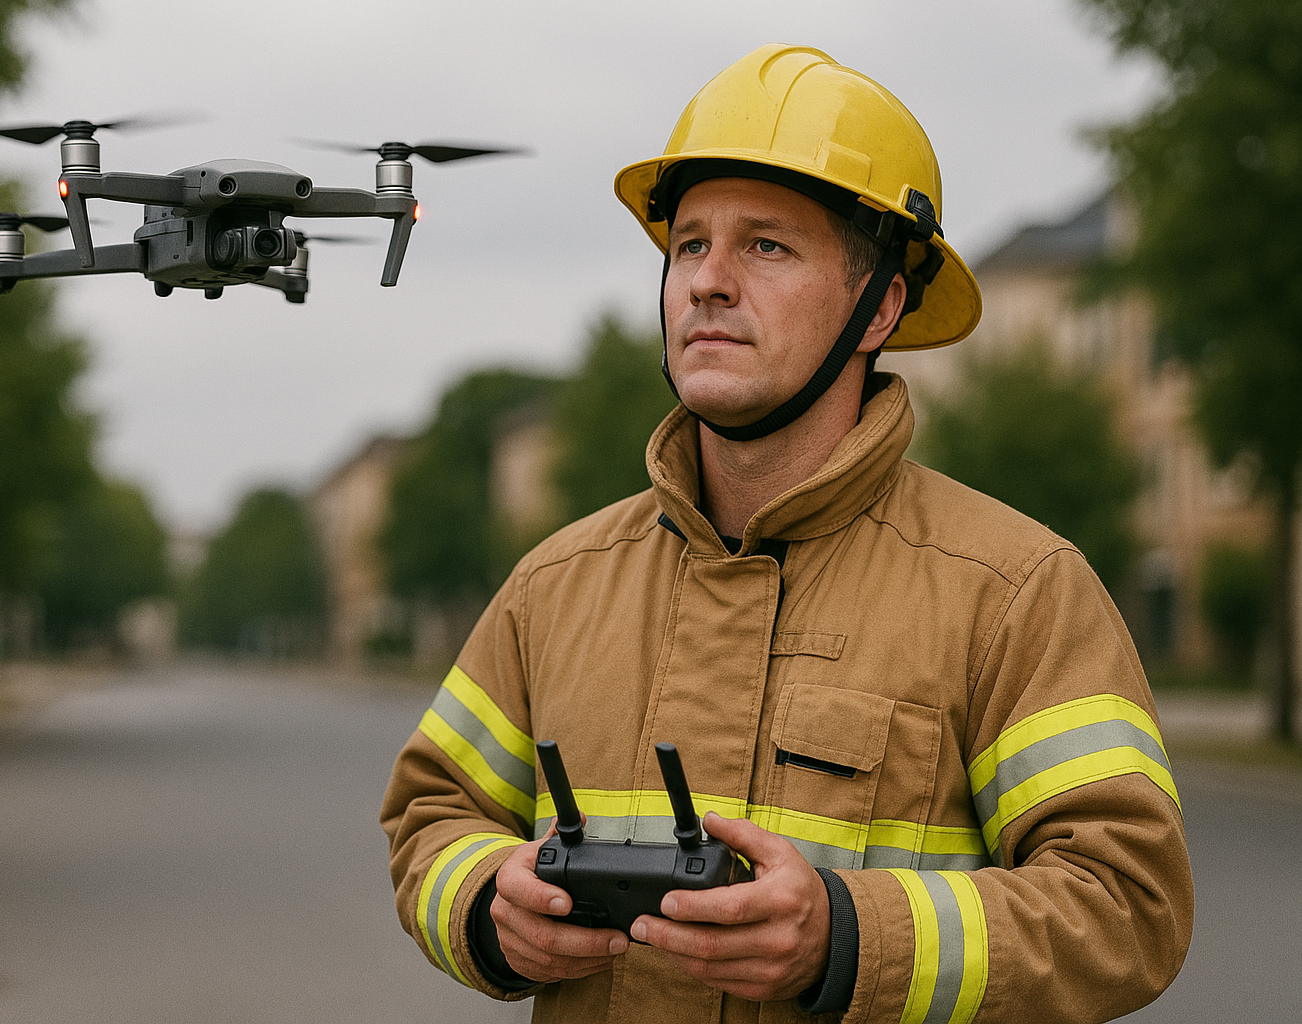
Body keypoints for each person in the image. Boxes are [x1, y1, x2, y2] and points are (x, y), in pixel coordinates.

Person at [381, 44, 1192, 1023]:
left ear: (880, 304)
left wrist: (847, 937)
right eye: (689, 245)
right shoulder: (554, 585)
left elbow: (1127, 905)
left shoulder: (1014, 590)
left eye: (767, 246)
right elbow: (433, 816)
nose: (708, 283)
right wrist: (484, 906)